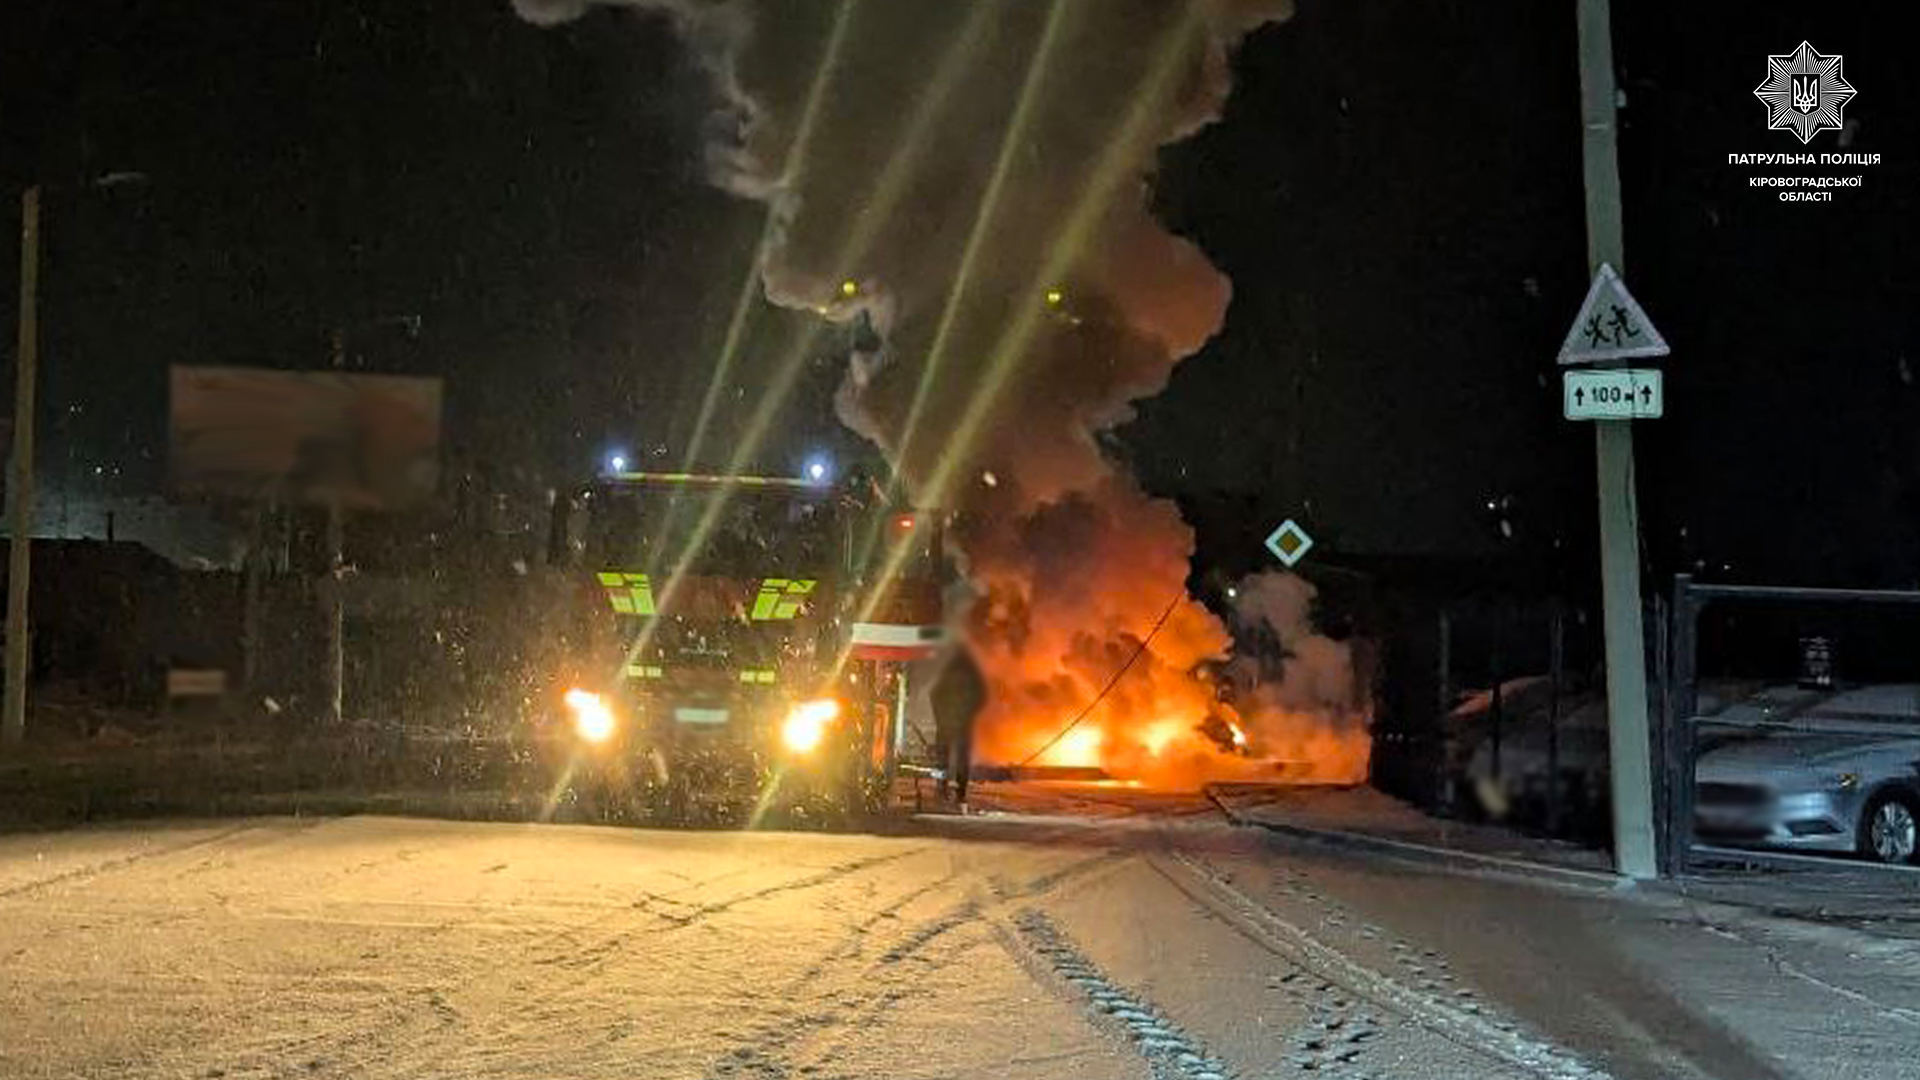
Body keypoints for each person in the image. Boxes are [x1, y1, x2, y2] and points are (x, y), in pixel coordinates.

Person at [929, 640, 985, 804]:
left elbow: (934, 695)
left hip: (946, 725)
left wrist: (940, 718)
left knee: (942, 760)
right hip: (963, 725)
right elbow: (982, 697)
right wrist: (970, 715)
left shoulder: (947, 674)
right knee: (962, 760)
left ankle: (941, 788)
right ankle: (960, 793)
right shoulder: (974, 676)